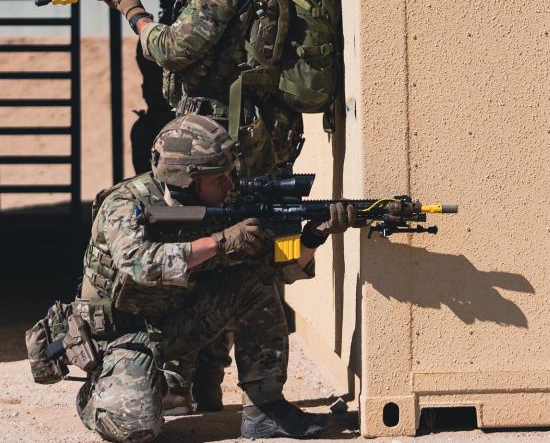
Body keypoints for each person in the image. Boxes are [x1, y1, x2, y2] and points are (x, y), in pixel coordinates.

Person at [101, 0, 334, 412]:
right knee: (246, 252)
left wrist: (131, 10)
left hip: (216, 142)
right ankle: (210, 382)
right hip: (266, 134)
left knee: (204, 250)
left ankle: (188, 380)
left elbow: (172, 49)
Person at [74, 115, 358, 441]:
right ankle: (98, 393)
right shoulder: (125, 205)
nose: (230, 186)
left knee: (250, 285)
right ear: (186, 179)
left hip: (173, 326)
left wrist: (312, 239)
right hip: (119, 337)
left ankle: (264, 411)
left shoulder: (223, 204)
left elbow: (273, 268)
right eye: (219, 177)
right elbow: (141, 264)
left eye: (230, 174)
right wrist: (219, 242)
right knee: (134, 426)